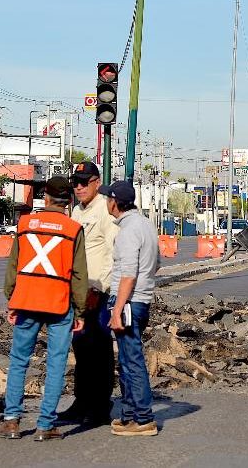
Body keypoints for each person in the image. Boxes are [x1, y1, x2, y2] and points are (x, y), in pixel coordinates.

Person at [0, 176, 88, 442]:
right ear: (68, 202)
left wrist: (11, 298)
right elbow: (79, 274)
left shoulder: (25, 225)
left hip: (26, 300)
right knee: (56, 363)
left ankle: (11, 421)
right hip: (59, 303)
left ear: (45, 198)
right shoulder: (74, 229)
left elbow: (13, 265)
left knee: (18, 361)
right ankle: (45, 424)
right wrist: (80, 311)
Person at [57, 161, 117, 426]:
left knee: (99, 348)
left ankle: (100, 406)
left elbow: (113, 253)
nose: (79, 187)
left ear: (96, 182)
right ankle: (82, 402)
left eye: (84, 182)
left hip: (97, 292)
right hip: (78, 292)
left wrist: (99, 288)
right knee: (81, 347)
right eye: (76, 183)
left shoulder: (105, 209)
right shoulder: (77, 212)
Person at [100, 180, 160, 436]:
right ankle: (129, 415)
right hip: (141, 300)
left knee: (132, 361)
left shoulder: (127, 231)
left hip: (128, 302)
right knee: (126, 359)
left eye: (107, 198)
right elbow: (157, 263)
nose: (106, 202)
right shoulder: (146, 225)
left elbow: (128, 275)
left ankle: (143, 418)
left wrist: (117, 309)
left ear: (114, 202)